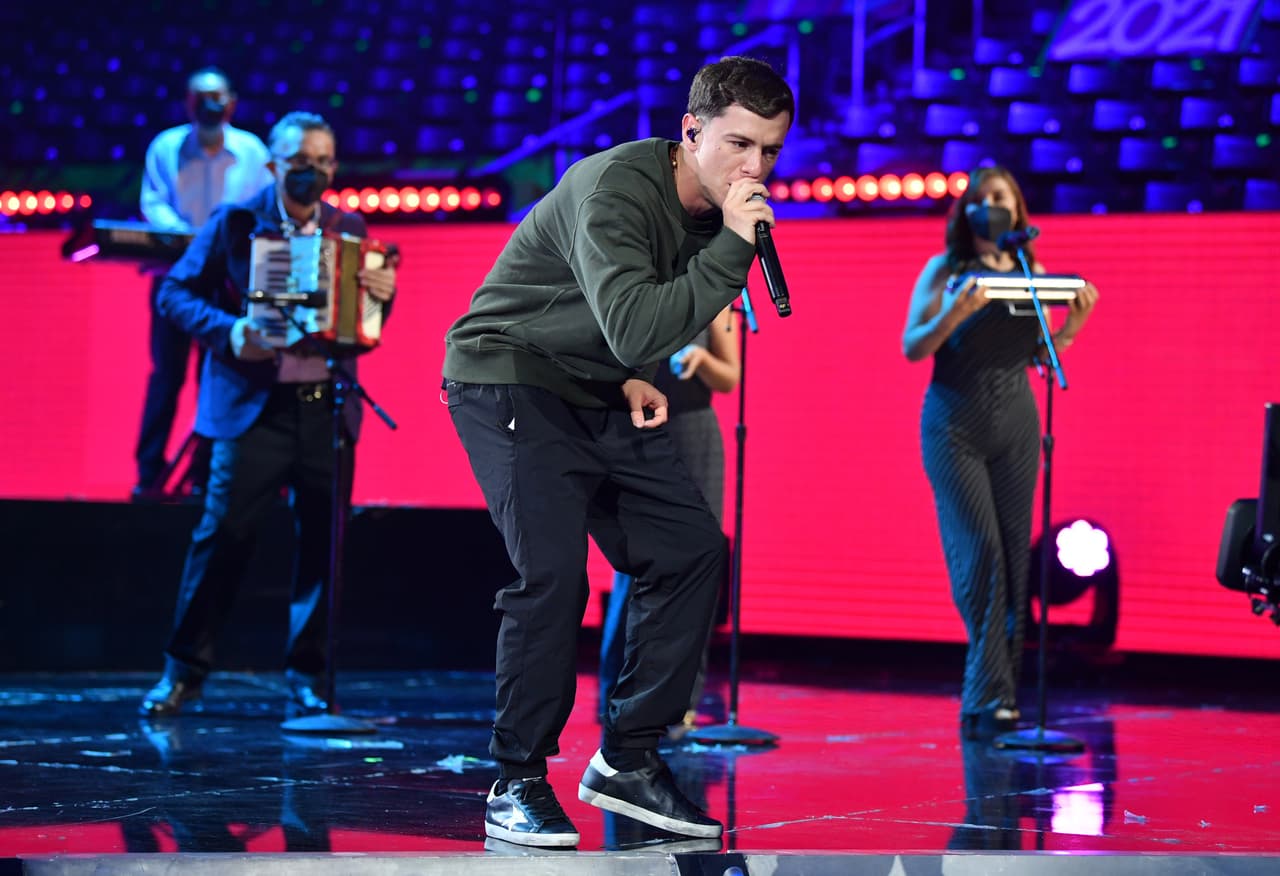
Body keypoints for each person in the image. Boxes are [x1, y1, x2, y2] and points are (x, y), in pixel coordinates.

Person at [443, 56, 793, 848]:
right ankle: (517, 779)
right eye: (739, 145)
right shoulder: (617, 189)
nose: (756, 168)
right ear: (691, 131)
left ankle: (629, 759)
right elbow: (638, 319)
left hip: (595, 384)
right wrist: (733, 253)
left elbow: (633, 321)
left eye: (770, 152)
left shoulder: (711, 214)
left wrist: (632, 374)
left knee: (693, 549)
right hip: (508, 378)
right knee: (554, 574)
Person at [138, 111, 397, 718]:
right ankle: (185, 671)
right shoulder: (234, 221)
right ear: (274, 164)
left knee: (322, 548)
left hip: (323, 412)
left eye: (325, 161)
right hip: (250, 411)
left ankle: (307, 676)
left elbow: (361, 329)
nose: (315, 172)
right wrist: (231, 332)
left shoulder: (349, 228)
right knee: (222, 537)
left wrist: (378, 303)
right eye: (303, 161)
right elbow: (173, 293)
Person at [901, 166, 1098, 740]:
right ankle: (988, 695)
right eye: (982, 199)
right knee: (981, 554)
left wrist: (1075, 325)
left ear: (1018, 210)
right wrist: (954, 313)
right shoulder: (946, 270)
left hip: (1015, 425)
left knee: (1014, 560)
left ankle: (997, 701)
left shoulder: (1028, 270)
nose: (991, 207)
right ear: (965, 211)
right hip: (953, 425)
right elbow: (913, 345)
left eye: (1001, 198)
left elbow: (1042, 357)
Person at [134, 67, 273, 498]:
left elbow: (265, 208)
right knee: (167, 375)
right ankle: (150, 472)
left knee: (216, 379)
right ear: (187, 103)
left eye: (218, 97)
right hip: (177, 278)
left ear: (231, 102)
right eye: (201, 97)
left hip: (229, 287)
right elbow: (152, 202)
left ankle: (206, 473)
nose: (211, 105)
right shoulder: (167, 147)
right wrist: (192, 240)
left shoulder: (251, 151)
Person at [598, 308, 739, 733]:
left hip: (694, 428)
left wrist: (702, 361)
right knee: (636, 563)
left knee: (697, 564)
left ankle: (681, 700)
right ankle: (620, 691)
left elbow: (729, 377)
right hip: (634, 427)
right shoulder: (637, 284)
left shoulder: (716, 294)